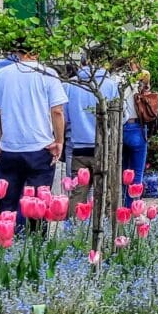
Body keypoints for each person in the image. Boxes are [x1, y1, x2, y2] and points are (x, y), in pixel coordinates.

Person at [0, 47, 68, 231]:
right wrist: (59, 140)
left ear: (17, 51)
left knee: (7, 205)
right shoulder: (48, 74)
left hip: (10, 148)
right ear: (38, 50)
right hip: (40, 147)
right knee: (38, 205)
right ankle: (36, 247)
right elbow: (57, 111)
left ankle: (3, 245)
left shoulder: (2, 74)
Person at [63, 61, 118, 212]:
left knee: (78, 194)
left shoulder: (70, 85)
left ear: (83, 62)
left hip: (79, 147)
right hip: (104, 146)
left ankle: (74, 230)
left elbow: (64, 117)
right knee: (104, 193)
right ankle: (105, 230)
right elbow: (121, 117)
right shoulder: (110, 84)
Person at [119, 63, 148, 205]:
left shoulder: (114, 80)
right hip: (136, 126)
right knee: (137, 174)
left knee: (124, 173)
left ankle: (124, 207)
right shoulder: (139, 80)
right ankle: (134, 207)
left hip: (120, 128)